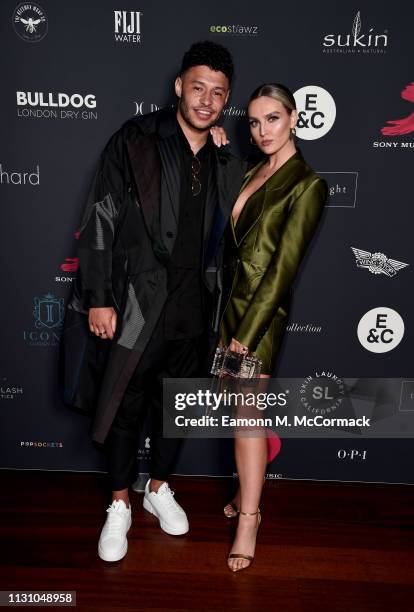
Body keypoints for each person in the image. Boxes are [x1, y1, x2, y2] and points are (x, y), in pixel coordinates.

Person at [63, 40, 246, 562]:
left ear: (225, 99)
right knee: (125, 406)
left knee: (178, 409)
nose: (206, 100)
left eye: (218, 93)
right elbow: (99, 216)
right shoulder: (137, 140)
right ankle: (119, 503)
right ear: (178, 88)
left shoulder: (221, 155)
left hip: (196, 307)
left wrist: (226, 151)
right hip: (137, 303)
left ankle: (159, 488)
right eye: (197, 88)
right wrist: (98, 297)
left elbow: (233, 224)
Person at [219, 83, 327, 572]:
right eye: (255, 122)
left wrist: (247, 331)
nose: (262, 131)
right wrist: (221, 153)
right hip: (224, 307)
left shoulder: (307, 183)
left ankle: (249, 518)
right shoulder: (249, 170)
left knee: (246, 416)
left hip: (259, 317)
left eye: (273, 119)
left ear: (294, 119)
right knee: (242, 412)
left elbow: (283, 269)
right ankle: (247, 486)